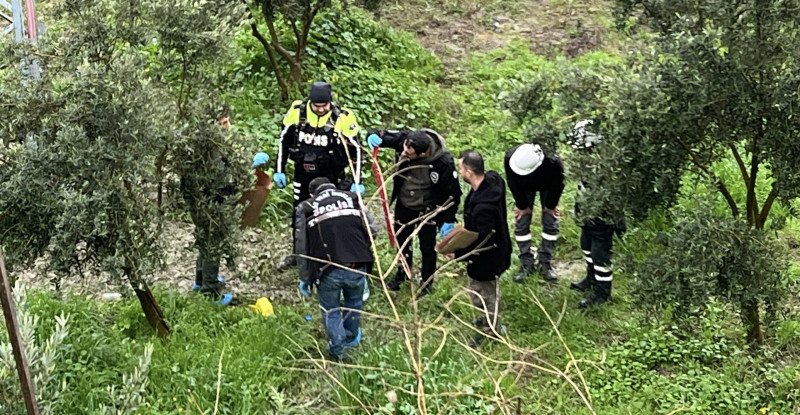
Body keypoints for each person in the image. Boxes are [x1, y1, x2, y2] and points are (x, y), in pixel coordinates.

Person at [273, 81, 363, 270]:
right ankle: (299, 254)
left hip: (331, 175)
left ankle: (334, 255)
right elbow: (284, 140)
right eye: (317, 106)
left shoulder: (343, 117)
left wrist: (357, 180)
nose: (321, 109)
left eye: (325, 105)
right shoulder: (297, 111)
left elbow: (357, 150)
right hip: (303, 174)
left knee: (332, 215)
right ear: (310, 102)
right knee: (300, 214)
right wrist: (279, 169)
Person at [367, 128, 462, 296]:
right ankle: (402, 273)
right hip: (405, 204)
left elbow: (453, 193)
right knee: (402, 241)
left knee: (427, 246)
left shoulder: (443, 162)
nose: (403, 153)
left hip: (428, 209)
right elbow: (381, 134)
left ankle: (426, 283)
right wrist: (372, 135)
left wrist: (448, 219)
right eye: (403, 148)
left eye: (409, 154)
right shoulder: (405, 139)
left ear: (423, 154)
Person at [294, 177, 375, 362]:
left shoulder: (306, 207)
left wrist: (305, 275)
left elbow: (301, 245)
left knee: (330, 309)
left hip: (327, 267)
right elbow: (372, 229)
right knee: (354, 301)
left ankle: (337, 349)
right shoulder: (353, 197)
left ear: (312, 194)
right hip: (357, 263)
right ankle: (351, 336)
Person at [181, 108, 240, 305]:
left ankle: (201, 280)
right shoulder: (209, 148)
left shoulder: (200, 142)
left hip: (199, 198)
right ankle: (210, 290)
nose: (228, 127)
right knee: (212, 241)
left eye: (228, 121)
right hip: (208, 201)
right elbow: (221, 178)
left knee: (204, 238)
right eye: (223, 123)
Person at [454, 150, 512, 347]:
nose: (459, 171)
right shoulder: (494, 181)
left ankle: (491, 331)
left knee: (485, 294)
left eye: (461, 168)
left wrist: (458, 253)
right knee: (479, 290)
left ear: (469, 172)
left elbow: (482, 239)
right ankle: (485, 320)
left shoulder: (484, 208)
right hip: (497, 249)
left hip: (487, 257)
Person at [568, 120, 625, 308]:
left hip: (602, 216)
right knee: (586, 246)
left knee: (601, 255)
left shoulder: (606, 165)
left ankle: (603, 293)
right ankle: (591, 278)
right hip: (586, 212)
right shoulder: (586, 159)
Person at [504, 143, 565, 283]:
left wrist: (550, 205)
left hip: (549, 185)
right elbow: (512, 182)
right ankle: (526, 262)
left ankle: (545, 262)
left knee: (551, 220)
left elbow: (559, 183)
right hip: (523, 187)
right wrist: (522, 205)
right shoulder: (510, 157)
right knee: (522, 220)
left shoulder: (554, 163)